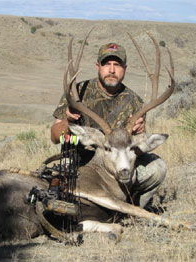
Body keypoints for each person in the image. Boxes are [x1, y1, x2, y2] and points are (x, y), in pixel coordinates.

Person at [50, 43, 166, 208]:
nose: (112, 70)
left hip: (116, 165)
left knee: (157, 168)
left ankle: (135, 207)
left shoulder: (134, 101)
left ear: (125, 68)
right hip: (80, 164)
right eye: (107, 64)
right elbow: (55, 137)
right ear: (98, 66)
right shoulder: (77, 92)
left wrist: (136, 136)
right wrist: (68, 121)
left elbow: (135, 153)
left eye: (117, 65)